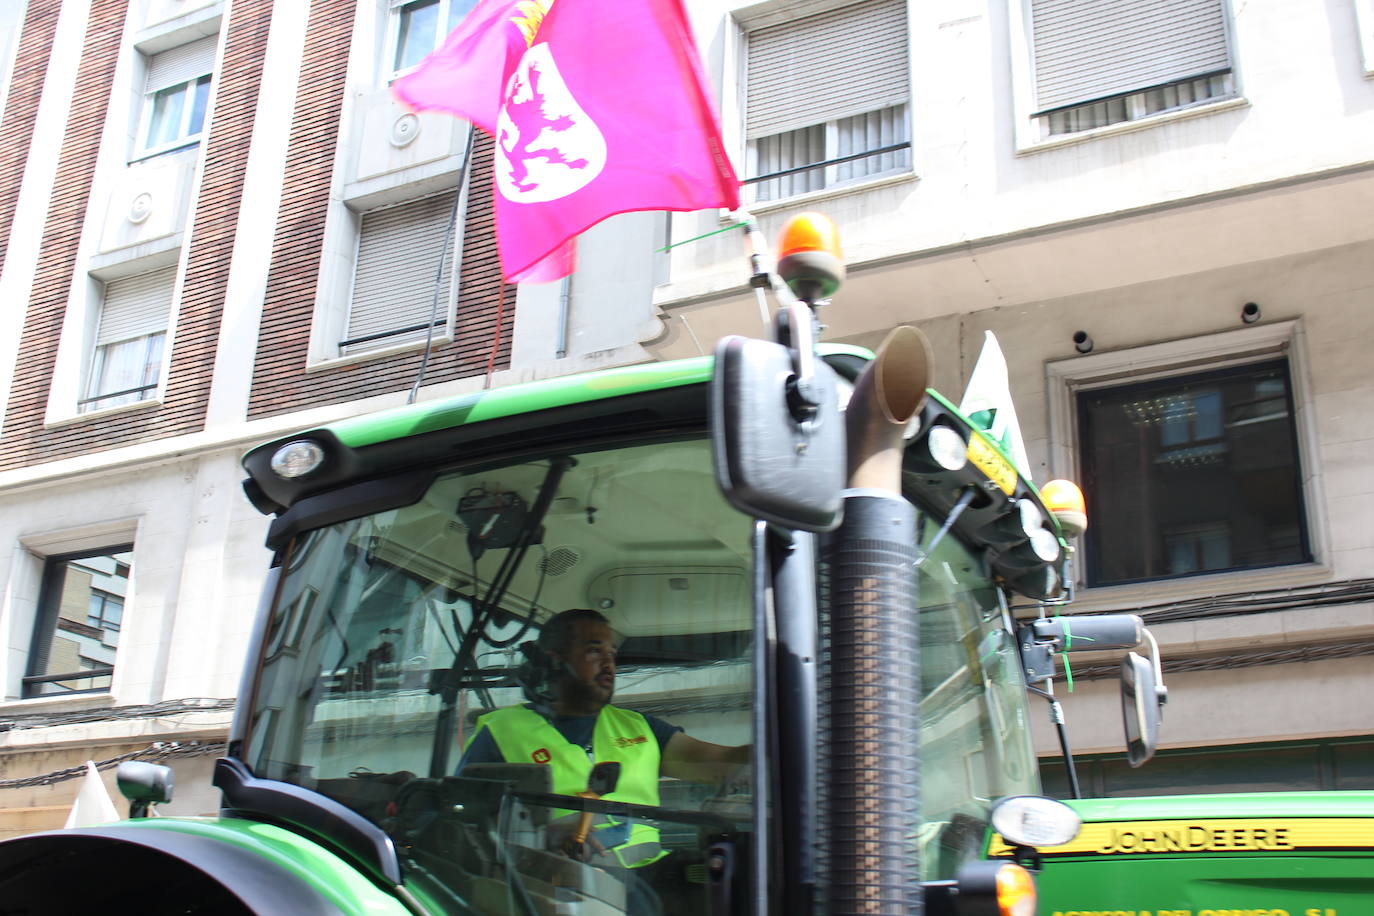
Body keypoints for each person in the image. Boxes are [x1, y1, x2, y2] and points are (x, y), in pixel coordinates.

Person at [457, 608, 749, 873]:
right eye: (595, 652)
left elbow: (724, 764)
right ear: (556, 658)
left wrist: (780, 744)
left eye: (612, 654)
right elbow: (465, 826)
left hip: (653, 882)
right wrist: (540, 839)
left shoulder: (640, 727)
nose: (609, 664)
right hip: (557, 885)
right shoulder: (501, 732)